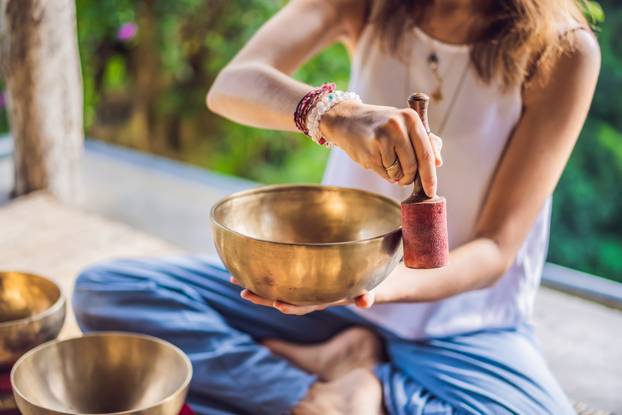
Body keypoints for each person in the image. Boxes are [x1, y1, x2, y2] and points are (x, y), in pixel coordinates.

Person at [72, 0, 601, 414]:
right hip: (321, 296)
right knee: (108, 291)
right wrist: (335, 115)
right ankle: (316, 386)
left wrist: (371, 287)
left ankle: (350, 383)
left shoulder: (563, 50)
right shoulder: (370, 5)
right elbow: (232, 85)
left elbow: (495, 249)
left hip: (458, 328)